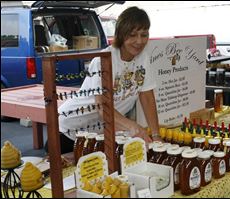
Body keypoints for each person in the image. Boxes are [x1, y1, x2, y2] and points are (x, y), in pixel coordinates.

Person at [47, 7, 162, 154]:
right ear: (121, 34)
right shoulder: (104, 60)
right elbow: (102, 107)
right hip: (69, 131)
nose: (139, 41)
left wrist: (156, 135)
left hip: (100, 134)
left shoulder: (143, 57)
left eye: (144, 35)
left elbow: (147, 97)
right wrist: (132, 126)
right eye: (132, 35)